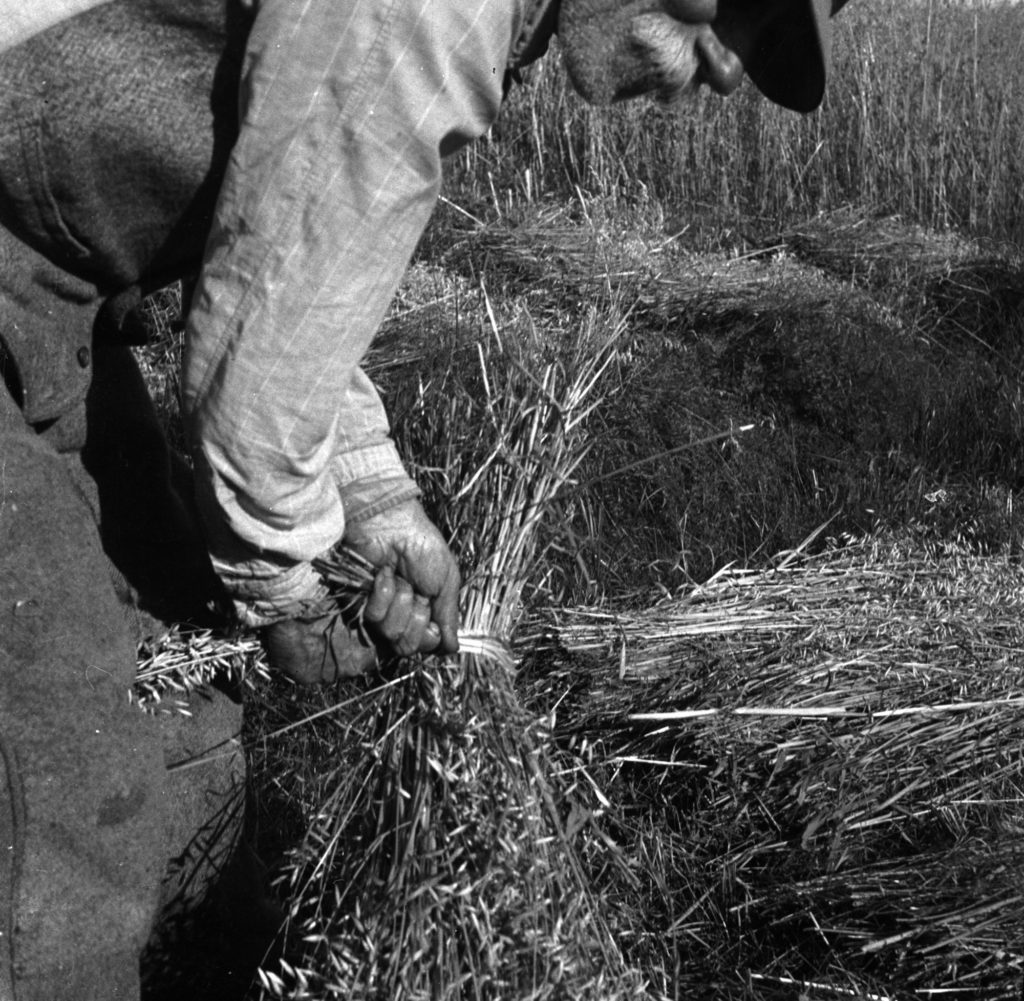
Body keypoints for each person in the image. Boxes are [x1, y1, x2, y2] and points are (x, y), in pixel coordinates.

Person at [0, 1, 849, 998]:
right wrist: (286, 590)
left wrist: (375, 499)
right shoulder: (435, 10)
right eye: (748, 14)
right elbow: (260, 366)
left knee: (181, 700)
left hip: (50, 291)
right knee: (67, 770)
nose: (728, 70)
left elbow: (279, 257)